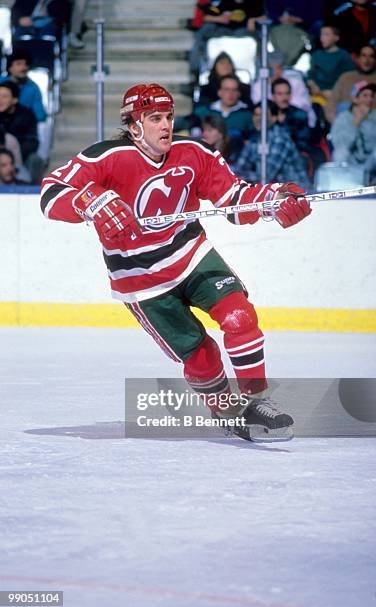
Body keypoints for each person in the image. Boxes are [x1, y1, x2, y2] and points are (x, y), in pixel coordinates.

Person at [40, 82, 311, 443]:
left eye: (168, 116)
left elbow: (234, 197)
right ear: (134, 125)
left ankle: (258, 400)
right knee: (202, 357)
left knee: (239, 317)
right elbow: (51, 192)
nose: (166, 125)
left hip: (191, 255)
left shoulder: (194, 152)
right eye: (155, 118)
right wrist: (87, 201)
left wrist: (273, 200)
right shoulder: (104, 157)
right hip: (140, 279)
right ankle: (225, 410)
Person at [232, 101, 310, 188]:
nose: (258, 119)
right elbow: (239, 167)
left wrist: (241, 176)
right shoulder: (254, 139)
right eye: (256, 114)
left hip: (296, 191)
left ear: (274, 118)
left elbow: (265, 176)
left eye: (263, 115)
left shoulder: (280, 139)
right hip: (274, 190)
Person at [189, 0, 265, 76]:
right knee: (203, 32)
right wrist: (219, 18)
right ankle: (196, 70)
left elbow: (267, 16)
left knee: (261, 37)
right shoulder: (218, 2)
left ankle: (259, 72)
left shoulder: (256, 3)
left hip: (245, 32)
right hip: (221, 30)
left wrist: (253, 20)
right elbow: (203, 16)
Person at [330, 82, 376, 184]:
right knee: (340, 153)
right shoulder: (343, 118)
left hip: (370, 162)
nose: (369, 99)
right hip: (351, 162)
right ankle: (341, 186)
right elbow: (341, 145)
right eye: (365, 95)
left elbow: (372, 145)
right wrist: (355, 123)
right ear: (355, 98)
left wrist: (366, 122)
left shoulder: (374, 117)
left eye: (372, 96)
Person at [0, 81, 43, 184]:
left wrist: (10, 155)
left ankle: (31, 191)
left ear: (15, 99)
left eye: (4, 96)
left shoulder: (26, 115)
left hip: (18, 157)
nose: (0, 100)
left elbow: (32, 142)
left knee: (35, 160)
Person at [325, 44, 376, 122]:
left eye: (371, 56)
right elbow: (332, 103)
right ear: (358, 58)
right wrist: (337, 123)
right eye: (364, 55)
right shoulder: (346, 77)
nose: (367, 60)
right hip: (345, 123)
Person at [307, 25, 355, 104]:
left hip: (337, 96)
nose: (322, 38)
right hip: (318, 95)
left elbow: (350, 77)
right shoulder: (316, 54)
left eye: (326, 34)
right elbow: (310, 74)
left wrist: (335, 92)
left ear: (336, 38)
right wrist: (313, 85)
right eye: (321, 34)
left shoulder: (343, 55)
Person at [0, 50, 47, 122]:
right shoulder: (1, 81)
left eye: (26, 64)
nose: (23, 67)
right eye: (19, 64)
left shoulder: (33, 88)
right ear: (10, 68)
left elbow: (40, 116)